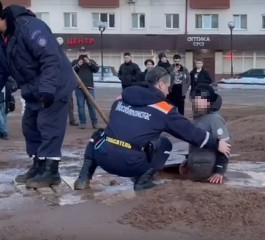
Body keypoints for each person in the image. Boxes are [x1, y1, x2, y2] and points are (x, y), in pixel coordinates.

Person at [73, 67, 231, 191]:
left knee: (98, 135)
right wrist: (216, 143)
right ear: (161, 85)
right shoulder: (163, 109)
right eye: (168, 87)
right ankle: (142, 182)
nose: (168, 91)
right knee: (164, 144)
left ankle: (83, 178)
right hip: (129, 165)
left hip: (104, 158)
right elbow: (189, 132)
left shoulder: (120, 100)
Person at [0, 3, 77, 188]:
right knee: (30, 127)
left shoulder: (29, 27)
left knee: (48, 126)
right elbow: (1, 71)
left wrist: (48, 88)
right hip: (32, 89)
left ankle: (51, 171)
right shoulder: (3, 39)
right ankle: (38, 166)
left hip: (54, 86)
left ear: (1, 18)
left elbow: (50, 58)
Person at [179, 84, 229, 184]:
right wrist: (187, 161)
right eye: (196, 99)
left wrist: (219, 171)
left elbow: (225, 147)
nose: (197, 102)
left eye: (202, 99)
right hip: (197, 166)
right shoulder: (198, 119)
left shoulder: (214, 119)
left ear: (210, 102)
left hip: (208, 169)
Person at [72, 46, 99, 129]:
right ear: (78, 53)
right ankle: (82, 123)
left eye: (84, 52)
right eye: (81, 52)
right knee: (80, 106)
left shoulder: (91, 61)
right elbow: (71, 71)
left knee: (91, 106)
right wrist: (78, 65)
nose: (82, 53)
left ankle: (94, 123)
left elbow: (96, 69)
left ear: (87, 53)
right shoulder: (75, 62)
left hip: (90, 87)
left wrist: (89, 62)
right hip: (79, 88)